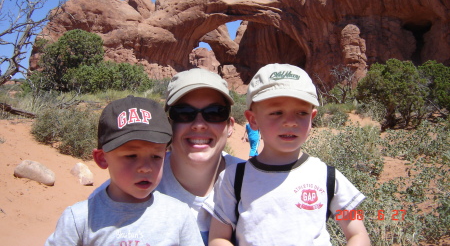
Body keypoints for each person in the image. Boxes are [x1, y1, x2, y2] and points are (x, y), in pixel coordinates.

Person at [207, 63, 370, 246]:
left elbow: (357, 234)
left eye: (301, 113)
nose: (290, 122)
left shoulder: (327, 176)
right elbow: (218, 238)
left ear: (312, 118)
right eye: (276, 112)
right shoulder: (233, 178)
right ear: (253, 119)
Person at [90, 68, 243, 245]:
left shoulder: (257, 184)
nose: (199, 125)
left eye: (215, 112)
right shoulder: (120, 195)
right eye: (184, 112)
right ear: (167, 123)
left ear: (230, 125)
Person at [45, 96, 203, 246]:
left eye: (156, 156)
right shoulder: (80, 219)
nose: (146, 167)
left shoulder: (178, 215)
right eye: (131, 156)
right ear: (102, 158)